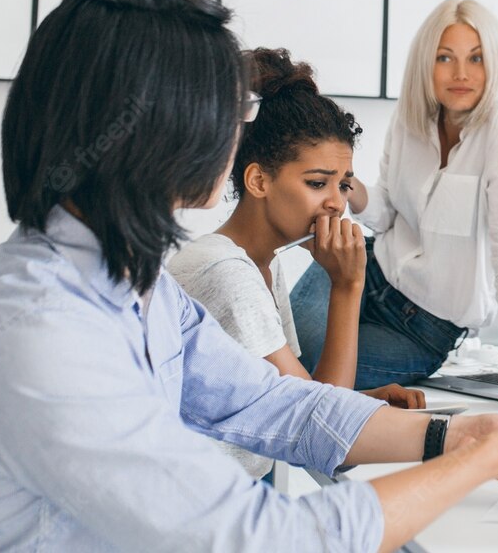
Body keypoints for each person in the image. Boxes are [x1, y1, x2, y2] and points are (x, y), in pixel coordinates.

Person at [0, 0, 498, 552]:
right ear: (151, 124)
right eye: (226, 111)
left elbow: (269, 403)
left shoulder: (127, 281)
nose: (237, 134)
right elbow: (256, 538)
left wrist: (462, 437)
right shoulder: (42, 335)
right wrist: (479, 462)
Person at [167, 47, 424, 480]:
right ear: (259, 180)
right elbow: (323, 438)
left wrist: (364, 401)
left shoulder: (261, 265)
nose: (336, 203)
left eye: (343, 185)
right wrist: (346, 286)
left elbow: (295, 399)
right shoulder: (227, 275)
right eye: (317, 182)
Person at [292, 0, 498, 395]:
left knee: (309, 367)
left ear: (494, 63)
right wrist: (344, 184)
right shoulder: (410, 118)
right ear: (427, 62)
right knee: (280, 346)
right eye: (445, 58)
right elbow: (388, 212)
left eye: (476, 58)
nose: (460, 73)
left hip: (423, 329)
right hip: (370, 266)